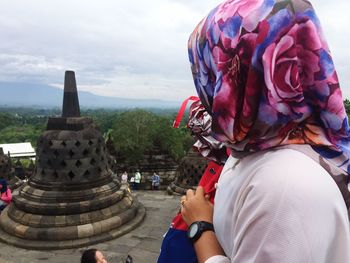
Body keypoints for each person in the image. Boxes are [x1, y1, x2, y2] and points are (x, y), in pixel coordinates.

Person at [179, 0, 350, 262]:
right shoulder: (258, 148)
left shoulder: (284, 187)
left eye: (209, 70)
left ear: (231, 77)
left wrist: (201, 227)